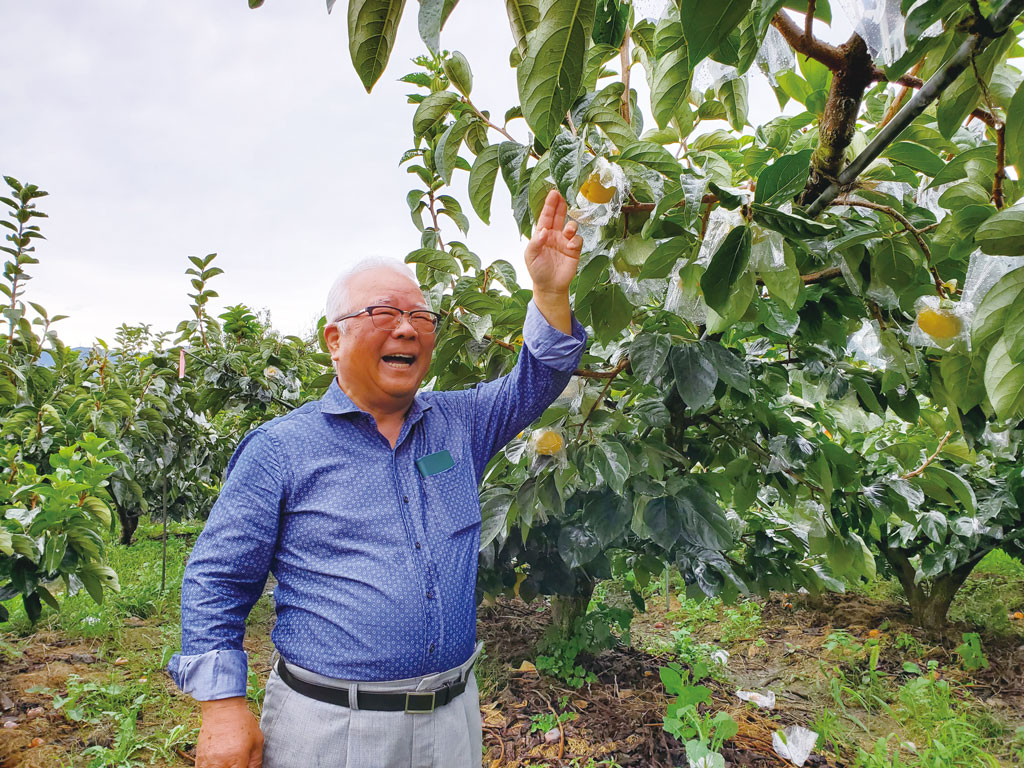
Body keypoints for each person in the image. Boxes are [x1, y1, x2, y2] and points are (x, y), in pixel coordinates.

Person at [167, 190, 586, 768]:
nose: (408, 330)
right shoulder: (282, 449)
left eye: (420, 317)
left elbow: (536, 380)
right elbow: (218, 577)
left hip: (451, 720)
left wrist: (549, 291)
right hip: (332, 729)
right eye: (384, 314)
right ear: (333, 339)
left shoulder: (457, 424)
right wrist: (221, 708)